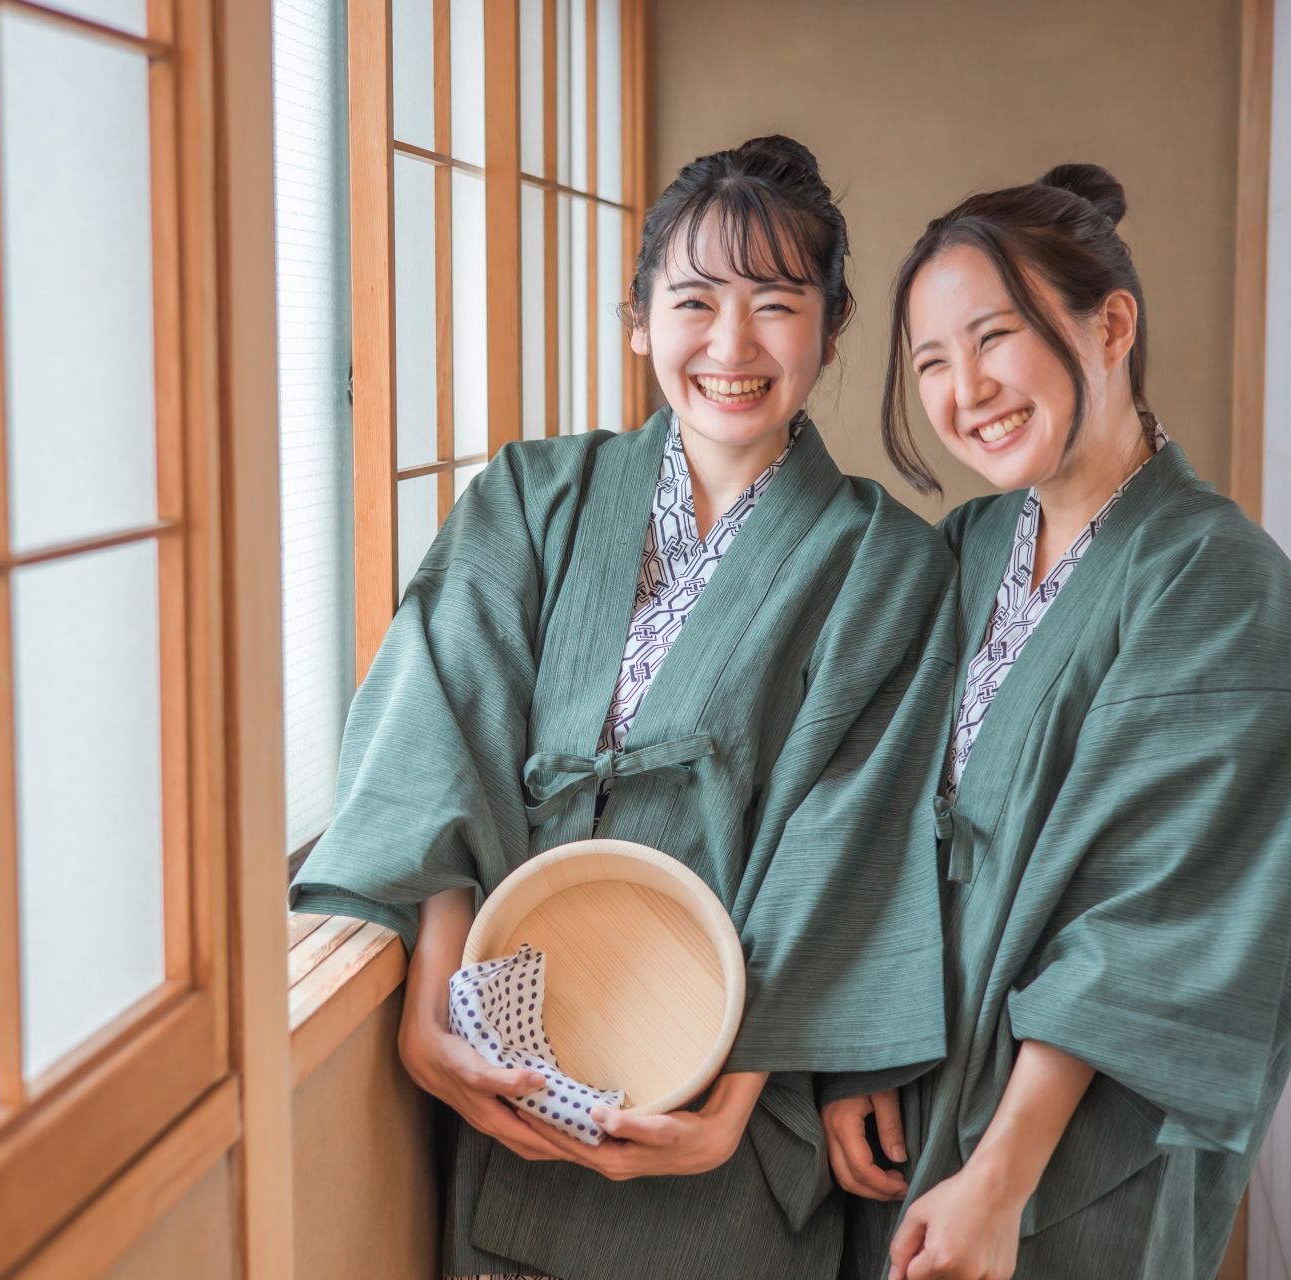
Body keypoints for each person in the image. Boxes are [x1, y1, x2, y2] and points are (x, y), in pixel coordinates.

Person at [291, 136, 958, 1280]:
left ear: (831, 330)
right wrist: (437, 1010)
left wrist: (730, 1103)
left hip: (720, 1088)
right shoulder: (529, 492)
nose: (732, 346)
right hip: (514, 1044)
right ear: (640, 318)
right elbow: (442, 724)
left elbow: (842, 839)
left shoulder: (885, 559)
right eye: (694, 300)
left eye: (777, 305)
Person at [821, 164, 1291, 1280]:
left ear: (1112, 323)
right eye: (930, 364)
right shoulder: (969, 547)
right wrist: (858, 1039)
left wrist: (1001, 1175)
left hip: (1075, 1135)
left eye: (994, 337)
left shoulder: (1220, 581)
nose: (966, 390)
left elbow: (1159, 918)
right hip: (923, 1082)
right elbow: (876, 804)